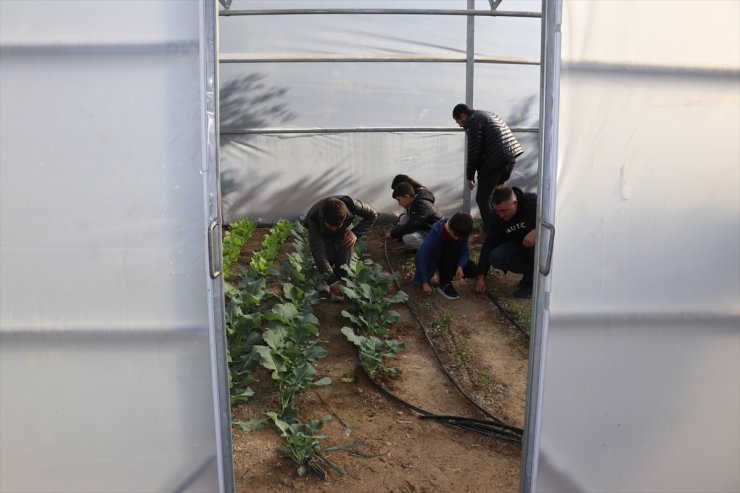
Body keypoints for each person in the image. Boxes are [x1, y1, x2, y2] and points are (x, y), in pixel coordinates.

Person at [452, 103, 524, 230]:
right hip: (509, 158)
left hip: (495, 162)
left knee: (482, 198)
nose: (460, 125)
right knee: (496, 196)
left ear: (463, 116)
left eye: (458, 121)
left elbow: (474, 151)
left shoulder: (473, 121)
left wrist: (470, 176)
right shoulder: (487, 114)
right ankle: (505, 227)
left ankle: (492, 231)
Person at [303, 196, 378, 298]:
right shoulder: (314, 219)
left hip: (344, 229)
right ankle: (325, 278)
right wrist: (332, 282)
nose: (334, 229)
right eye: (331, 226)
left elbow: (373, 215)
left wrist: (355, 233)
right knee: (328, 254)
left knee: (346, 246)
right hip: (323, 232)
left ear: (345, 216)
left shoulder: (352, 204)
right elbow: (318, 253)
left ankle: (339, 279)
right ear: (324, 218)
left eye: (336, 226)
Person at [474, 185, 536, 299]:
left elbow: (557, 216)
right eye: (497, 210)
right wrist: (481, 275)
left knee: (538, 243)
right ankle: (529, 274)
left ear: (515, 203)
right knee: (495, 256)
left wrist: (538, 231)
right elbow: (489, 243)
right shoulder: (496, 216)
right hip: (519, 246)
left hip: (540, 247)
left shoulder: (532, 202)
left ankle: (532, 285)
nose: (501, 215)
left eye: (504, 210)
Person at [414, 212, 478, 300]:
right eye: (455, 235)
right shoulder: (436, 232)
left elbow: (464, 251)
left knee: (473, 270)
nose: (457, 238)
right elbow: (420, 256)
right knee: (452, 246)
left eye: (460, 237)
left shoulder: (461, 231)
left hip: (450, 259)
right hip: (435, 259)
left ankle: (447, 271)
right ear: (450, 227)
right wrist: (424, 282)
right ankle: (444, 283)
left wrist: (460, 266)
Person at [385, 181, 442, 250]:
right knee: (404, 218)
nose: (399, 204)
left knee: (408, 238)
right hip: (425, 227)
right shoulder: (415, 201)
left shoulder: (421, 204)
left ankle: (432, 250)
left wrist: (392, 234)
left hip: (434, 233)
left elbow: (412, 225)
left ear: (406, 197)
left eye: (399, 200)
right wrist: (398, 236)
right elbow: (411, 222)